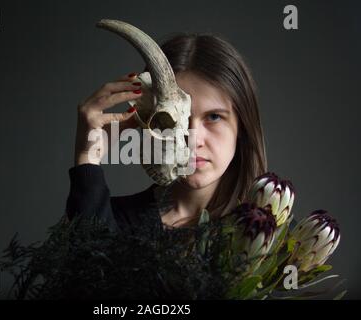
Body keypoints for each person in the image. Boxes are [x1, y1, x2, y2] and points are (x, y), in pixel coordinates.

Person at [65, 32, 267, 233]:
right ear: (150, 118)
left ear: (242, 125)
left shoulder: (272, 235)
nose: (192, 139)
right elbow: (86, 260)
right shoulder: (113, 220)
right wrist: (87, 159)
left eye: (214, 117)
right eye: (177, 119)